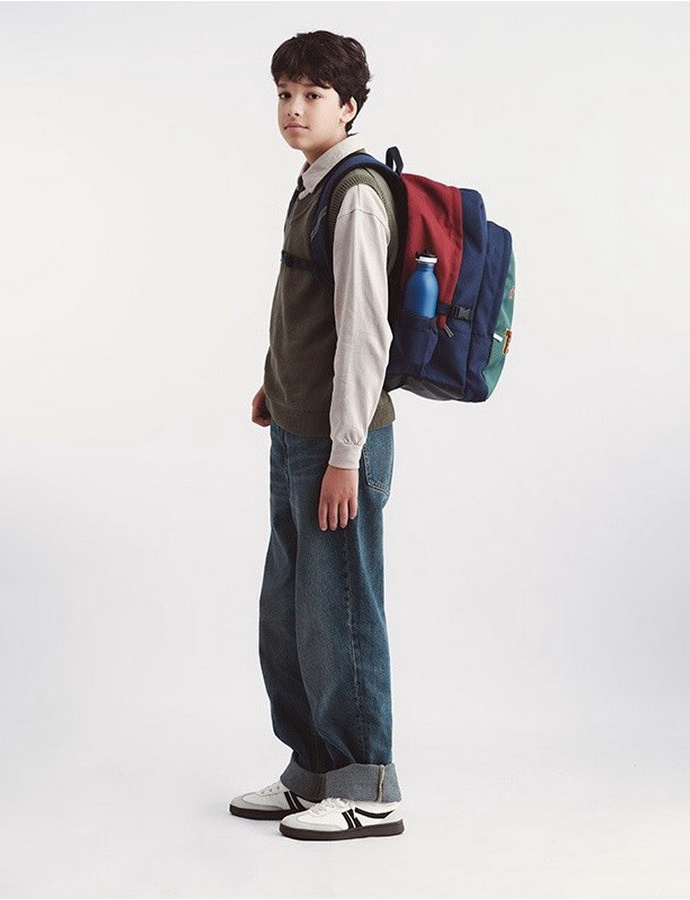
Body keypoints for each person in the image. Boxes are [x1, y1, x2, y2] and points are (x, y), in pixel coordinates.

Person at [229, 30, 404, 841]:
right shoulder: (312, 182)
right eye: (284, 94)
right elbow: (308, 308)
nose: (294, 109)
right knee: (292, 612)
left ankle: (370, 784)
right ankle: (313, 772)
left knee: (341, 613)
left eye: (312, 96)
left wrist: (345, 455)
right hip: (300, 430)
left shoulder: (356, 193)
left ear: (350, 107)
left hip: (340, 445)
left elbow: (365, 332)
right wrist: (278, 381)